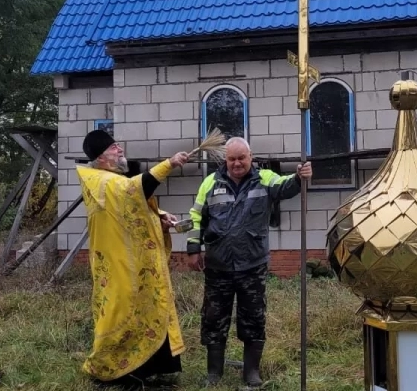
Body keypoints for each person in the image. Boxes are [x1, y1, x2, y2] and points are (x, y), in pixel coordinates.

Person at [186, 137, 312, 387]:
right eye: (232, 159)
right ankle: (214, 373)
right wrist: (193, 248)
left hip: (252, 266)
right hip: (217, 266)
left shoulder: (264, 178)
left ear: (250, 157)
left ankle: (251, 372)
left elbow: (285, 186)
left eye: (241, 158)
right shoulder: (210, 183)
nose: (236, 163)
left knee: (253, 317)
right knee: (213, 318)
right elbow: (196, 216)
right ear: (226, 160)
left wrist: (299, 177)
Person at [77, 129, 189, 389]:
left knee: (150, 307)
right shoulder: (100, 180)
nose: (120, 149)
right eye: (114, 147)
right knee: (120, 312)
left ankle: (147, 371)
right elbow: (132, 191)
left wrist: (159, 218)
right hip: (118, 266)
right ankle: (109, 369)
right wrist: (169, 164)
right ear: (100, 157)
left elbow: (132, 212)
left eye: (118, 145)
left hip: (136, 264)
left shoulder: (112, 181)